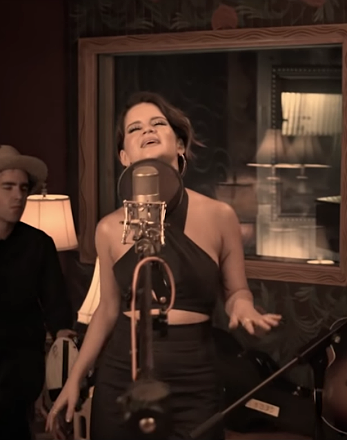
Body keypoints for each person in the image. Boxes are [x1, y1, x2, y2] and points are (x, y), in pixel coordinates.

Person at [46, 91, 283, 440]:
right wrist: (74, 379)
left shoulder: (220, 216)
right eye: (135, 128)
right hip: (122, 373)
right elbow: (108, 309)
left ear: (180, 144)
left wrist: (243, 307)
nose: (148, 130)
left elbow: (236, 291)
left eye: (158, 123)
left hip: (194, 376)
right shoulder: (109, 229)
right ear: (124, 156)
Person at [0, 144, 75, 440]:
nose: (18, 196)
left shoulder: (39, 244)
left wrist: (59, 374)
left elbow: (58, 309)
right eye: (7, 187)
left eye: (23, 188)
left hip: (20, 374)